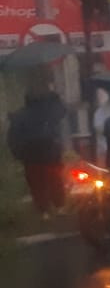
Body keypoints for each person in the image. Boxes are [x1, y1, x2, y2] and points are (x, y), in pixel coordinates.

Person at [6, 77, 68, 216]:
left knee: (37, 184)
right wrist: (55, 97)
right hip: (50, 153)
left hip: (31, 156)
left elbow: (13, 137)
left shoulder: (19, 115)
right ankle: (59, 207)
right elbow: (62, 112)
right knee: (55, 181)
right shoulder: (47, 112)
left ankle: (43, 211)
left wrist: (18, 154)